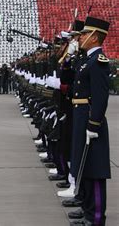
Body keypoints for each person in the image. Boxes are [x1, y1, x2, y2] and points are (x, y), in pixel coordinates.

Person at [69, 16, 111, 226]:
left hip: (90, 121)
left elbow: (101, 96)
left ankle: (95, 218)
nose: (81, 37)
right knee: (83, 166)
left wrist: (94, 124)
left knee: (94, 170)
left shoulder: (98, 62)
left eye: (85, 34)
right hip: (81, 117)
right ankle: (87, 210)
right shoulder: (87, 60)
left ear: (94, 37)